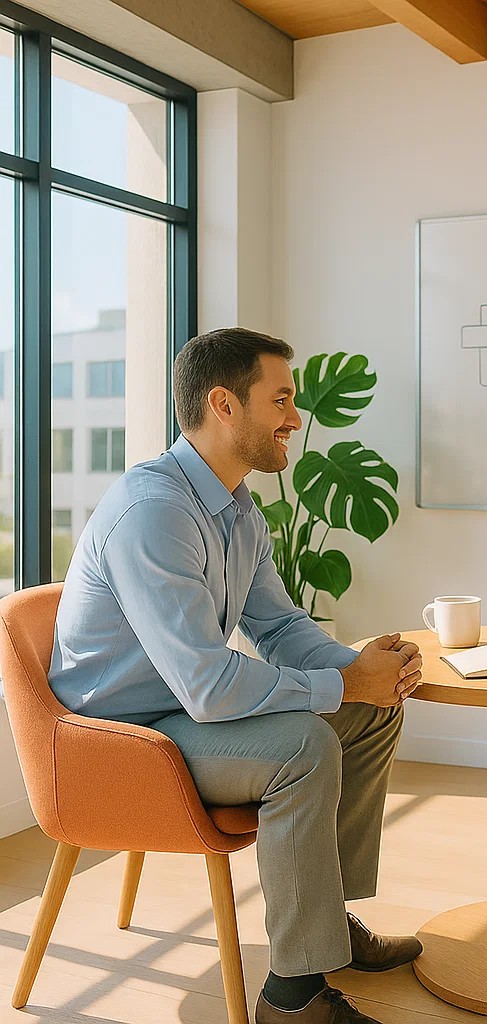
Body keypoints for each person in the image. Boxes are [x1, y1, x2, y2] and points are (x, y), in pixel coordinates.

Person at [49, 328, 422, 1024]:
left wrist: (361, 671)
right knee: (303, 748)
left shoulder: (235, 507)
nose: (295, 417)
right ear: (224, 404)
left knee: (373, 711)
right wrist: (345, 683)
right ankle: (292, 998)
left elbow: (277, 626)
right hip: (122, 738)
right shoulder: (154, 513)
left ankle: (325, 927)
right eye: (280, 399)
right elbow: (209, 685)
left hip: (180, 708)